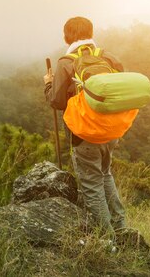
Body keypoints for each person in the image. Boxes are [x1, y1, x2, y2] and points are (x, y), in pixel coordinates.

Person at [43, 16, 127, 236]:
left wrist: (48, 85)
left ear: (67, 36)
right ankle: (121, 227)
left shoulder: (66, 62)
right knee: (105, 174)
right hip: (111, 132)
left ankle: (108, 240)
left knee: (91, 185)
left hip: (85, 135)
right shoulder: (107, 57)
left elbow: (57, 101)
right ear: (91, 33)